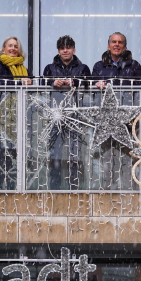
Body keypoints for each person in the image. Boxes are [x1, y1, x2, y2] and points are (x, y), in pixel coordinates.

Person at [42, 35, 90, 189]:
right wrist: (52, 82)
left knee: (74, 155)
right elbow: (41, 84)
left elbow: (89, 83)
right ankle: (54, 188)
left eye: (68, 47)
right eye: (62, 48)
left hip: (75, 117)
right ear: (58, 50)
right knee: (55, 155)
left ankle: (73, 189)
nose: (65, 50)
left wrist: (74, 82)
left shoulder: (82, 68)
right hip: (55, 117)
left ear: (73, 49)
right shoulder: (50, 68)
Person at [0, 36, 31, 190]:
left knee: (16, 150)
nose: (13, 48)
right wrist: (20, 82)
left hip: (19, 113)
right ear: (3, 49)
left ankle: (14, 185)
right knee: (4, 148)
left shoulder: (22, 67)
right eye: (10, 46)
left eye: (16, 46)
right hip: (3, 112)